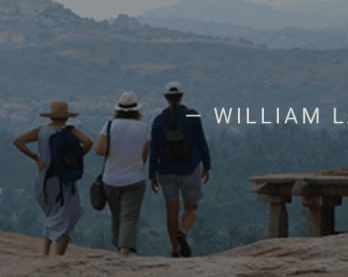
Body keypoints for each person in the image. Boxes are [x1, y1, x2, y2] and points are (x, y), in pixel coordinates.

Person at [14, 99, 93, 256]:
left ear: (51, 116)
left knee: (52, 215)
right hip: (65, 181)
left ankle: (46, 252)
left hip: (44, 180)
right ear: (67, 117)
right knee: (70, 214)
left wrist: (36, 158)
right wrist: (77, 158)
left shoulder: (41, 131)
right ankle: (58, 256)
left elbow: (18, 141)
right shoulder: (71, 131)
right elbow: (89, 141)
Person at [149, 81, 211, 258]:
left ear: (166, 98)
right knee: (191, 208)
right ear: (182, 96)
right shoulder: (192, 116)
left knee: (172, 211)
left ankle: (175, 250)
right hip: (189, 168)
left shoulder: (159, 120)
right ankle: (182, 233)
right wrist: (207, 166)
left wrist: (152, 173)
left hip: (165, 171)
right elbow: (201, 142)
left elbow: (154, 150)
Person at [94, 91, 150, 257]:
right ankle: (123, 252)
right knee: (129, 216)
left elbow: (99, 149)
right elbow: (144, 156)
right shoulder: (144, 128)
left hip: (110, 180)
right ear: (136, 110)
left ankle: (120, 247)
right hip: (134, 179)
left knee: (116, 215)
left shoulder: (110, 125)